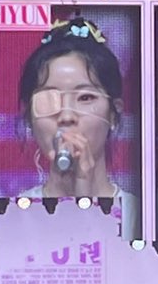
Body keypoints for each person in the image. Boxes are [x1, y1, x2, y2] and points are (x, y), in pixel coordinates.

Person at [12, 17, 134, 222]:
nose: (66, 117)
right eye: (49, 98)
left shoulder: (143, 217)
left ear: (113, 114)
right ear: (29, 117)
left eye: (85, 98)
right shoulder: (8, 218)